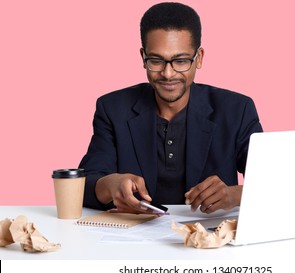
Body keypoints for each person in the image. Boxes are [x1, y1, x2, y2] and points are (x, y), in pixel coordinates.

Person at [79, 2, 263, 214]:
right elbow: (84, 183)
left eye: (181, 61)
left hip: (208, 240)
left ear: (199, 58)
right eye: (156, 61)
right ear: (143, 57)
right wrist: (110, 185)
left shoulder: (237, 110)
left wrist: (234, 195)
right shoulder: (112, 108)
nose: (168, 73)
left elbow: (276, 182)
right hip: (133, 240)